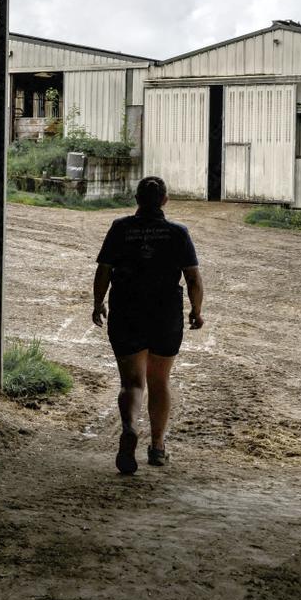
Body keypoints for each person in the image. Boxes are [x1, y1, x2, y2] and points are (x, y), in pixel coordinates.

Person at [91, 176, 204, 474]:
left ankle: (129, 427)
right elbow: (192, 277)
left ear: (137, 199)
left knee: (132, 383)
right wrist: (196, 310)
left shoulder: (120, 228)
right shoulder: (178, 233)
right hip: (164, 313)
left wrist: (98, 302)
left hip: (127, 310)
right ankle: (157, 447)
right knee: (159, 381)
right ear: (165, 200)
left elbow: (104, 269)